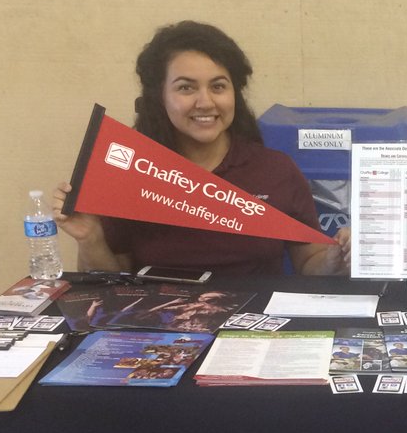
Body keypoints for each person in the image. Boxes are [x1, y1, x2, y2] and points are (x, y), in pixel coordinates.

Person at [52, 21, 350, 276]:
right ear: (160, 97)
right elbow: (112, 283)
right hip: (160, 332)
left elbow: (309, 261)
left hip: (253, 333)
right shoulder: (133, 173)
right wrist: (90, 238)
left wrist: (336, 258)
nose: (205, 102)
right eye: (186, 88)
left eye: (218, 86)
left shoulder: (275, 170)